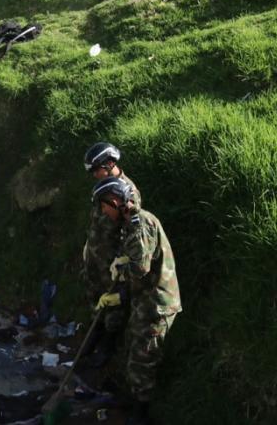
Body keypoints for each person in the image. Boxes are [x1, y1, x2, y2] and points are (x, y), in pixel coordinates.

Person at [91, 176, 181, 425]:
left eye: (104, 205)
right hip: (144, 300)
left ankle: (140, 413)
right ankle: (129, 400)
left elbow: (140, 268)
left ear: (115, 201)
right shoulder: (131, 223)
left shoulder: (139, 225)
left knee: (143, 359)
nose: (103, 211)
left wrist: (119, 287)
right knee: (133, 349)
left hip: (157, 303)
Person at [81, 142, 142, 367]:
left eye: (96, 170)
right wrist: (89, 247)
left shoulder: (127, 192)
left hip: (112, 262)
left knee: (112, 306)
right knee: (94, 297)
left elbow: (132, 231)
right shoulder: (103, 186)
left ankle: (107, 348)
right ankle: (93, 336)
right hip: (95, 255)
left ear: (109, 164)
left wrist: (122, 263)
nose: (94, 175)